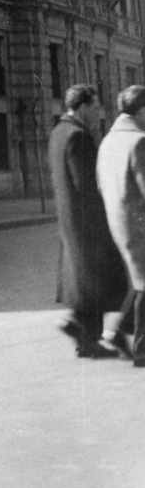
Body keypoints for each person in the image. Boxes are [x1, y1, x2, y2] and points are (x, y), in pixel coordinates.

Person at [47, 84, 128, 358]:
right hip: (88, 220)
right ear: (82, 106)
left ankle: (84, 337)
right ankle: (83, 330)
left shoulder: (58, 132)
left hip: (69, 219)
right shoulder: (78, 136)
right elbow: (87, 185)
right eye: (94, 107)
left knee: (86, 279)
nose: (97, 113)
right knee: (99, 278)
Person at [95, 84, 145, 368]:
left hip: (118, 221)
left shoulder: (109, 141)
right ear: (141, 111)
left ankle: (115, 333)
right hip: (139, 224)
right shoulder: (139, 141)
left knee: (139, 282)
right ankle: (141, 350)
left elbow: (101, 185)